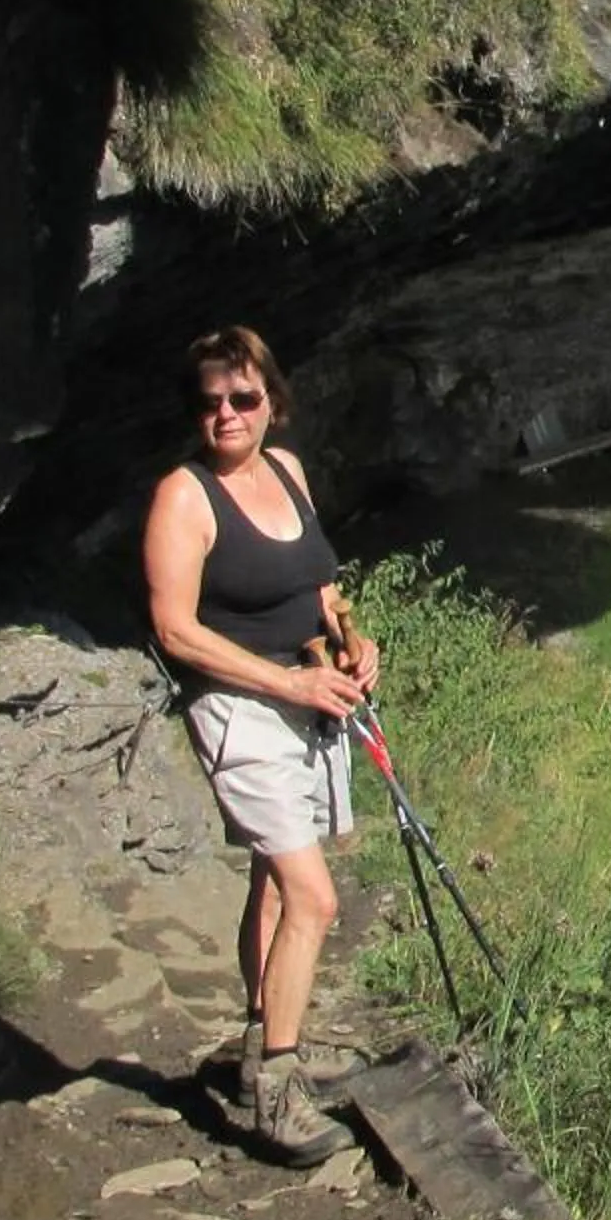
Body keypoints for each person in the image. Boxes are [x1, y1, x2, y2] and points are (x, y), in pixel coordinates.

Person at [141, 326, 377, 1164]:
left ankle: (261, 1037)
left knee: (277, 886)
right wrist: (290, 685)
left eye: (243, 398)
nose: (227, 415)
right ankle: (278, 1089)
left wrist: (350, 638)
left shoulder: (288, 471)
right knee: (313, 897)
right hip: (241, 709)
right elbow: (175, 629)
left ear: (273, 401)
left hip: (310, 697)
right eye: (209, 403)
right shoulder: (185, 497)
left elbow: (321, 583)